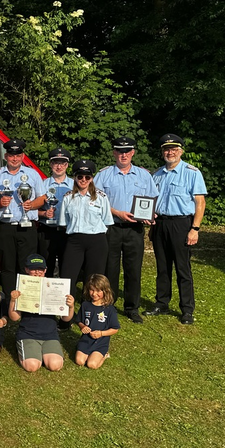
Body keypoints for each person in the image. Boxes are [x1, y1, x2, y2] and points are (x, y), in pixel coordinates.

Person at [95, 137, 159, 323]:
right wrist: (116, 212)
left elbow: (152, 198)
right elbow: (96, 201)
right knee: (111, 268)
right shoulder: (104, 175)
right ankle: (109, 306)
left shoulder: (143, 175)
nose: (123, 155)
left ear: (133, 153)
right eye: (119, 151)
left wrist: (150, 214)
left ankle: (132, 308)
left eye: (127, 151)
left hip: (135, 229)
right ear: (114, 153)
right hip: (112, 227)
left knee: (133, 269)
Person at [147, 133, 207, 325]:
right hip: (160, 224)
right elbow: (151, 201)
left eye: (173, 149)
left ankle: (187, 309)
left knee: (183, 268)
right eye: (166, 149)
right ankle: (162, 302)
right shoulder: (156, 175)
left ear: (180, 151)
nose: (169, 152)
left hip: (182, 224)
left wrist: (195, 228)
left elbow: (200, 202)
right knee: (162, 267)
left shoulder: (191, 172)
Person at [0, 139, 46, 306]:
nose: (14, 159)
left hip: (27, 226)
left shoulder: (33, 174)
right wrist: (0, 203)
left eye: (18, 155)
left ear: (23, 156)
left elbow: (42, 198)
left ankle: (27, 301)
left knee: (27, 267)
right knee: (7, 266)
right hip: (5, 226)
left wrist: (32, 205)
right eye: (11, 155)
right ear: (6, 156)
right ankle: (10, 302)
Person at [58, 160, 113, 328]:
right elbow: (63, 222)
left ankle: (90, 317)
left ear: (92, 178)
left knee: (94, 281)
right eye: (79, 176)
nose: (83, 180)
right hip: (74, 241)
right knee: (68, 278)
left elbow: (107, 221)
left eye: (87, 176)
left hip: (96, 240)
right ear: (74, 177)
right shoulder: (68, 198)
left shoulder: (101, 197)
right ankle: (66, 317)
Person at [8, 255, 75, 373]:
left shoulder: (55, 287)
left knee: (55, 365)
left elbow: (65, 318)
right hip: (28, 333)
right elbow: (14, 317)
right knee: (32, 366)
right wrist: (13, 300)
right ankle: (27, 348)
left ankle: (41, 351)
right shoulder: (22, 287)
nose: (37, 273)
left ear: (45, 270)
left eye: (40, 269)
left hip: (50, 334)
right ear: (26, 270)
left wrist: (71, 306)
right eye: (33, 269)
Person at [37, 147, 74, 278]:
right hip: (47, 230)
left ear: (67, 165)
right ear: (51, 164)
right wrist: (43, 214)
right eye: (55, 163)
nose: (59, 166)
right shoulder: (42, 184)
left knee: (67, 265)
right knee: (47, 265)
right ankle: (46, 294)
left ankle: (64, 295)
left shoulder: (74, 185)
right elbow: (31, 208)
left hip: (67, 231)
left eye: (62, 163)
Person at [73, 274, 120, 369]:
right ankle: (83, 350)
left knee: (92, 365)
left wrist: (101, 333)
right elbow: (78, 320)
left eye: (98, 291)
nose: (94, 294)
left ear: (105, 291)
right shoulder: (85, 305)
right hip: (86, 341)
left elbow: (115, 329)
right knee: (79, 361)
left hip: (100, 343)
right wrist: (82, 327)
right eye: (92, 290)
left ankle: (104, 355)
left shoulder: (109, 309)